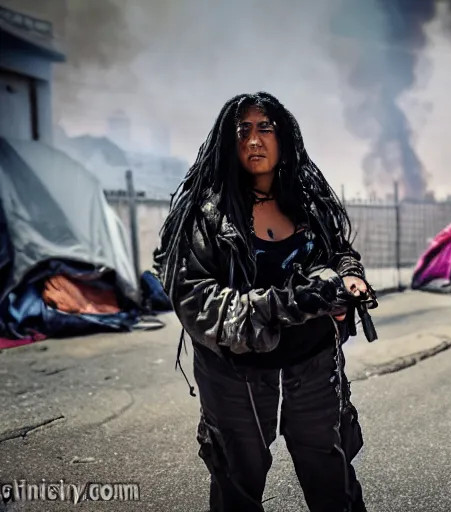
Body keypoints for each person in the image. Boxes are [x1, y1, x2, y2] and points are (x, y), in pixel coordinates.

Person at [154, 92, 378, 512]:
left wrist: (349, 275)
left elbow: (339, 250)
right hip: (237, 380)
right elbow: (197, 302)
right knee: (237, 489)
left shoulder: (309, 203)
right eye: (243, 130)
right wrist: (291, 302)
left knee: (334, 485)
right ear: (227, 141)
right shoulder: (204, 217)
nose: (253, 140)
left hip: (314, 371)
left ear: (285, 138)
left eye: (265, 129)